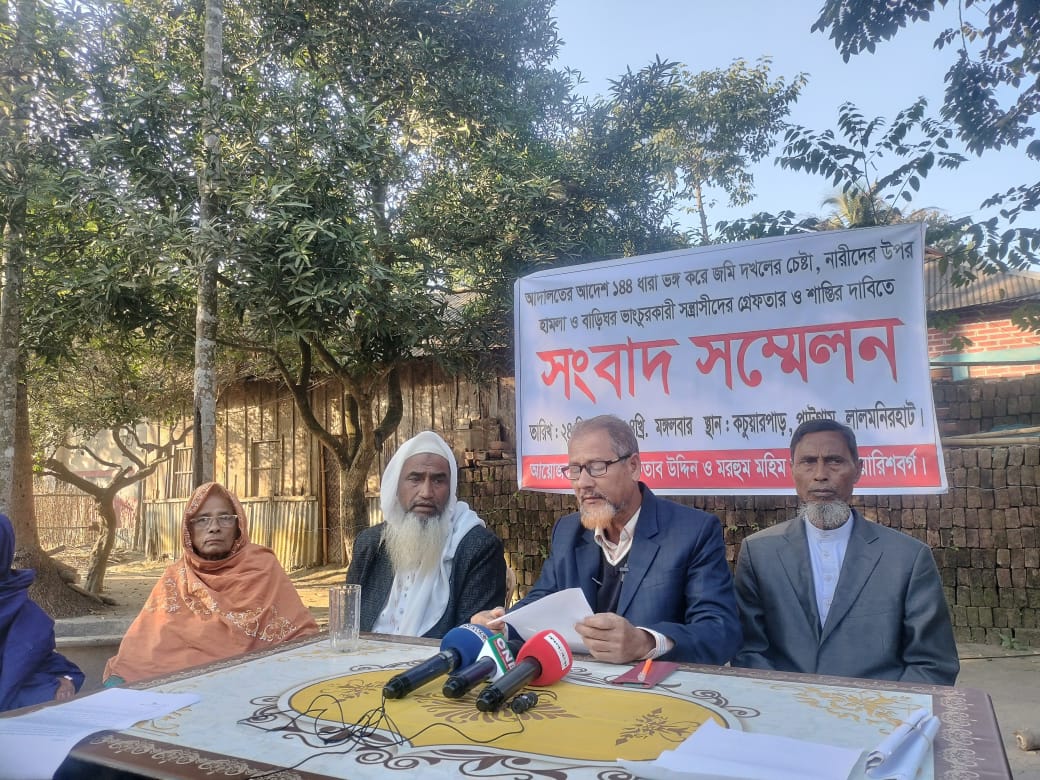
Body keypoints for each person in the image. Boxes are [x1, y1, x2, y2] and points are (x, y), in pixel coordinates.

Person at [472, 415, 741, 665]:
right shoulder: (568, 532)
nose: (583, 483)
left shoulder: (692, 532)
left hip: (658, 690)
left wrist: (644, 642)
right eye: (575, 469)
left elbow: (719, 631)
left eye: (597, 467)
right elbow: (543, 598)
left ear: (633, 467)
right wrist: (502, 624)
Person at [732, 418, 959, 685]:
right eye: (808, 462)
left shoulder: (907, 558)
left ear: (858, 470)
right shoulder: (759, 553)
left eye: (834, 461)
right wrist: (787, 701)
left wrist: (880, 707)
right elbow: (749, 651)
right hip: (783, 704)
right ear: (791, 470)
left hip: (878, 707)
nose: (820, 474)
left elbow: (932, 663)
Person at [103, 482, 318, 685]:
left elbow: (301, 637)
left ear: (238, 526)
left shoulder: (263, 568)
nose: (214, 527)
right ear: (188, 529)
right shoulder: (175, 579)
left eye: (225, 518)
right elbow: (141, 650)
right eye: (203, 519)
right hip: (182, 691)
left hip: (255, 689)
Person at [347, 431, 506, 638]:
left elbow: (476, 638)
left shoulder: (479, 548)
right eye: (415, 479)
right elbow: (347, 625)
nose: (426, 492)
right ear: (396, 486)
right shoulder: (369, 544)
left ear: (451, 489)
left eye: (438, 481)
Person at [0, 514, 84, 711]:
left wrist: (66, 680)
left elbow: (44, 663)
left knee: (46, 692)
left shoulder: (24, 612)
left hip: (11, 705)